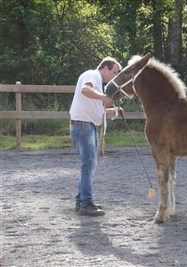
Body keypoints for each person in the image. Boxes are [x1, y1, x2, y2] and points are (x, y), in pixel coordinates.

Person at [69, 57, 123, 216]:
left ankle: (82, 201)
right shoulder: (93, 75)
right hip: (83, 125)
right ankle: (86, 203)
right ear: (105, 68)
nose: (114, 76)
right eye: (114, 72)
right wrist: (103, 98)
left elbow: (95, 109)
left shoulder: (98, 83)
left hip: (85, 124)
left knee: (88, 165)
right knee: (89, 165)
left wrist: (113, 111)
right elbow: (85, 90)